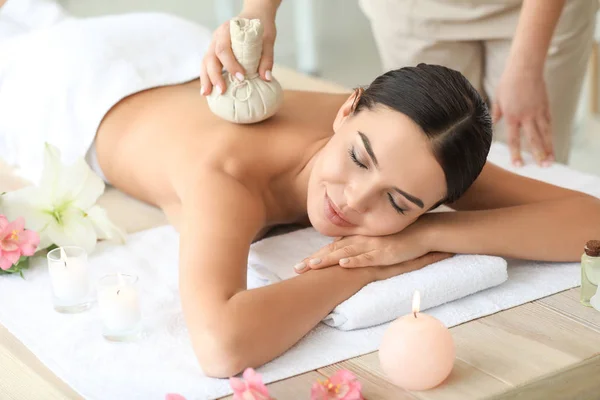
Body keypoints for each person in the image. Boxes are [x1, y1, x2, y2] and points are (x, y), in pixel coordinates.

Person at [2, 0, 600, 379]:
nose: (353, 201)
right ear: (347, 110)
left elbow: (590, 222)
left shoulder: (411, 150)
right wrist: (366, 268)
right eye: (357, 158)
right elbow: (220, 346)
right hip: (75, 81)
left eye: (398, 204)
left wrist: (429, 234)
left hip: (163, 65)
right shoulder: (228, 178)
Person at [202, 0, 598, 167]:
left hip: (538, 13)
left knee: (528, 161)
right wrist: (257, 11)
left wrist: (528, 64)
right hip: (414, 9)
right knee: (431, 155)